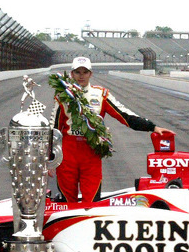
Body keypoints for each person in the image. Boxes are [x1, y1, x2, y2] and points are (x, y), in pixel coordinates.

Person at [51, 56, 170, 203]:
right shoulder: (63, 96)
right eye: (77, 72)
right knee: (67, 203)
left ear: (90, 74)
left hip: (91, 155)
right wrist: (50, 161)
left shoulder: (101, 95)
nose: (81, 75)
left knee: (92, 204)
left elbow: (124, 115)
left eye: (85, 72)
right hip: (67, 154)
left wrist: (152, 127)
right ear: (71, 74)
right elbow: (54, 129)